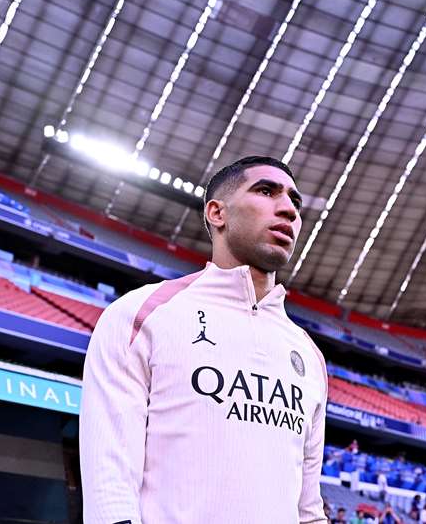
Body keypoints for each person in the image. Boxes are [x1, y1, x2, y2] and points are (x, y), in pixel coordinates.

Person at [79, 156, 329, 523]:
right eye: (266, 191)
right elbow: (109, 485)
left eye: (294, 201)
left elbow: (308, 510)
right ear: (217, 213)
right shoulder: (140, 315)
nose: (289, 210)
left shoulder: (308, 354)